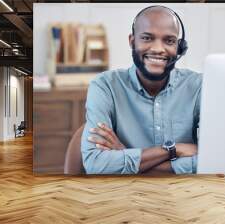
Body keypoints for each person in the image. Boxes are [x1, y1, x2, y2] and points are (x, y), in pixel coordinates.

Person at [81, 5, 202, 174]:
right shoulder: (105, 86)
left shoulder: (198, 86)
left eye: (169, 40)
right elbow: (96, 164)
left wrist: (127, 156)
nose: (158, 49)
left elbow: (214, 158)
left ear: (179, 48)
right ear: (132, 41)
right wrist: (173, 150)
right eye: (147, 38)